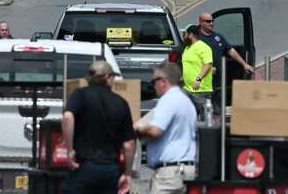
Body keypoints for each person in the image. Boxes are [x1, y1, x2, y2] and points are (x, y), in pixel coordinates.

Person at [61, 59, 136, 194]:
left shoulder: (80, 95)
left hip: (83, 167)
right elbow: (129, 144)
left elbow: (67, 117)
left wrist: (70, 150)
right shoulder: (121, 102)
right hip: (110, 170)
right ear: (107, 77)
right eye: (113, 77)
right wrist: (128, 173)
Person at [134, 61, 197, 194]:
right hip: (186, 170)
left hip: (170, 174)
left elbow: (156, 130)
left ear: (163, 81)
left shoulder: (168, 100)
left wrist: (137, 129)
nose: (153, 85)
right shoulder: (185, 100)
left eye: (153, 81)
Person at [181, 25, 213, 100]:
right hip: (187, 88)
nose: (183, 37)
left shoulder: (203, 47)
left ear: (191, 35)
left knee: (203, 111)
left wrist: (198, 80)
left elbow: (208, 65)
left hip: (201, 89)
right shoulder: (187, 48)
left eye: (185, 34)